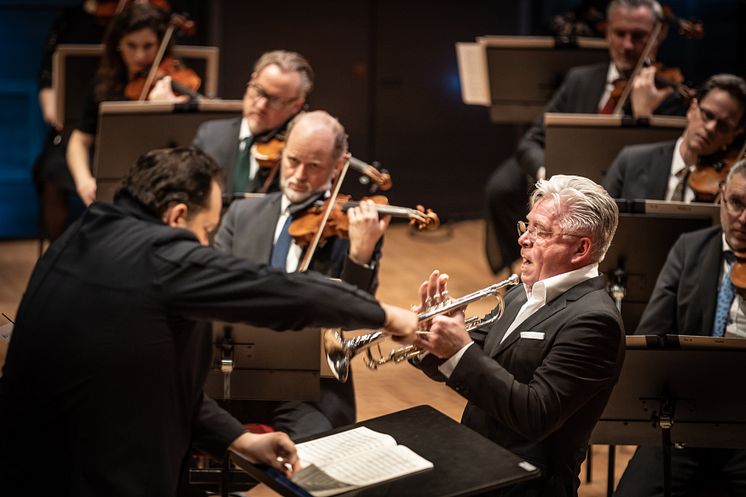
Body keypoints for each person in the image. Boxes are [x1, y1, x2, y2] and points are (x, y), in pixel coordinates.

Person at [0, 147, 416, 496]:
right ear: (177, 216)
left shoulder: (82, 235)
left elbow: (152, 379)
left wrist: (239, 439)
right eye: (207, 231)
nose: (207, 245)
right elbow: (279, 291)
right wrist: (386, 315)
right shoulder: (162, 257)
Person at [414, 175, 625, 497]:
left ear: (581, 248)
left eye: (540, 232)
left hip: (526, 486)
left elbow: (535, 414)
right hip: (474, 465)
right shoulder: (519, 292)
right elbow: (472, 362)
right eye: (526, 227)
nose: (523, 240)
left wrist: (458, 348)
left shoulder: (594, 321)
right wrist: (429, 338)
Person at [213, 110, 388, 438]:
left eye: (314, 166)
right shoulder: (242, 214)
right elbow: (215, 293)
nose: (298, 175)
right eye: (292, 161)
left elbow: (353, 320)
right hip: (235, 375)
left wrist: (360, 255)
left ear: (338, 167)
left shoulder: (352, 229)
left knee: (322, 452)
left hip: (308, 385)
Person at [484, 0, 688, 275]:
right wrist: (548, 176)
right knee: (501, 187)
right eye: (619, 33)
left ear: (658, 35)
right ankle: (524, 266)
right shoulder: (580, 79)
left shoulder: (668, 93)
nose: (627, 45)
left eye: (638, 36)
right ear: (607, 32)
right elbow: (531, 139)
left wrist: (643, 115)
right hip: (560, 173)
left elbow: (653, 165)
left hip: (609, 183)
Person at [613, 160, 746, 497]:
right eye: (736, 203)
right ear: (720, 197)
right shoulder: (690, 248)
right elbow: (652, 334)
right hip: (687, 421)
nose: (743, 219)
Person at [66, 3, 186, 208]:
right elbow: (79, 140)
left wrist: (166, 110)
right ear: (118, 44)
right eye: (131, 45)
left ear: (160, 45)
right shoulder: (104, 86)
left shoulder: (173, 84)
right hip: (116, 182)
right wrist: (84, 180)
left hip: (161, 187)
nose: (140, 56)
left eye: (148, 46)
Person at [603, 73, 746, 201]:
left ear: (733, 134)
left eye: (723, 126)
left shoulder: (731, 185)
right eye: (707, 115)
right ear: (692, 108)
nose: (710, 128)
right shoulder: (631, 161)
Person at [193, 50, 311, 196]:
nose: (261, 105)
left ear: (296, 106)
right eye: (259, 91)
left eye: (275, 100)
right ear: (252, 81)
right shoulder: (210, 134)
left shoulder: (297, 153)